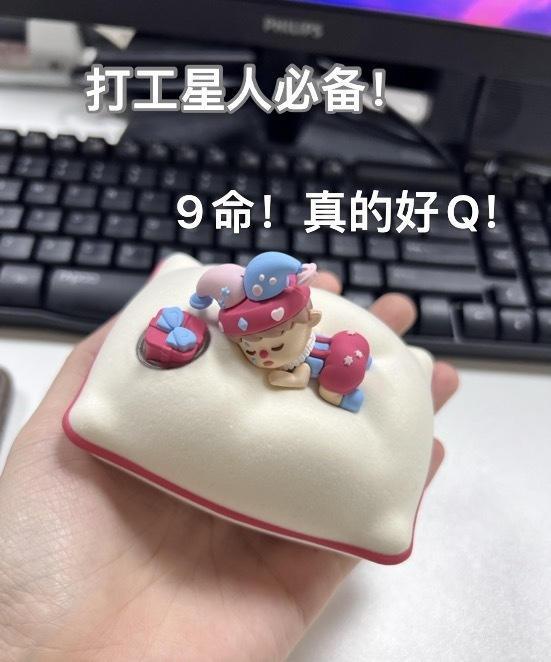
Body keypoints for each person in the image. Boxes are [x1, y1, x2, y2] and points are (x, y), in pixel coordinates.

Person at [0, 272, 458, 660]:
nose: (265, 355)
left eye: (275, 343)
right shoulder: (242, 336)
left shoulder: (309, 349)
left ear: (309, 320)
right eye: (256, 347)